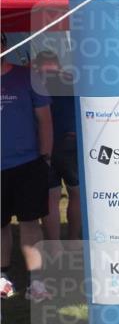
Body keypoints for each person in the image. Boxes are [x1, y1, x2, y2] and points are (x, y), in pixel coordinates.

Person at [1, 33, 53, 300]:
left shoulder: (28, 76)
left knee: (30, 222)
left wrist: (45, 155)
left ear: (5, 46)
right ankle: (2, 276)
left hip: (28, 163)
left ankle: (37, 280)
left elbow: (44, 118)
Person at [33, 51, 82, 242]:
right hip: (70, 143)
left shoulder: (35, 83)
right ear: (57, 64)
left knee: (51, 198)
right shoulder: (72, 80)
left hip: (44, 145)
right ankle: (73, 238)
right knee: (75, 194)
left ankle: (53, 244)